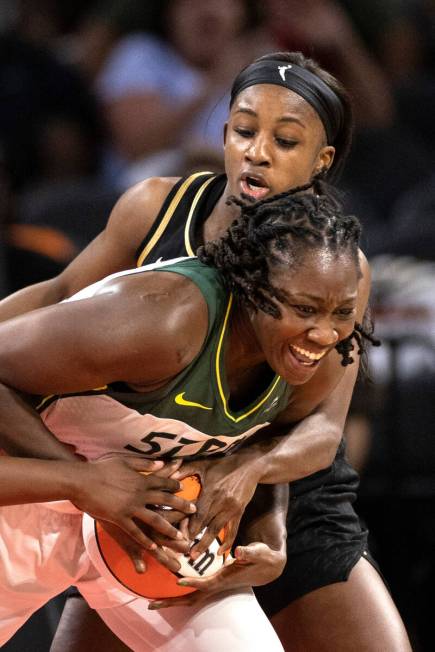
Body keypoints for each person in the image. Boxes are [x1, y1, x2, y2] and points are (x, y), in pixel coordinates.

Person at [0, 52, 411, 651]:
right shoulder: (160, 260)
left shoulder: (333, 273)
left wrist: (259, 492)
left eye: (286, 139)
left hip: (264, 471)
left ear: (323, 160)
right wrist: (82, 478)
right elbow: (59, 298)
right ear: (223, 134)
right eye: (245, 131)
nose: (258, 151)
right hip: (124, 462)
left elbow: (316, 428)